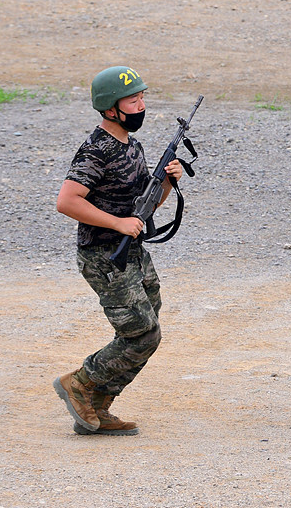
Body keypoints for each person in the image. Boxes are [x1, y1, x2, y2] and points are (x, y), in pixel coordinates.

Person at [53, 66, 182, 436]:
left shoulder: (132, 145)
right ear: (110, 108)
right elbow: (67, 201)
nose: (141, 105)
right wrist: (116, 223)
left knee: (149, 327)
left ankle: (98, 403)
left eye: (142, 98)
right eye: (133, 100)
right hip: (104, 255)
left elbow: (144, 208)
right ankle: (78, 383)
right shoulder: (96, 149)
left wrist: (168, 182)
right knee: (141, 331)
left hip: (132, 251)